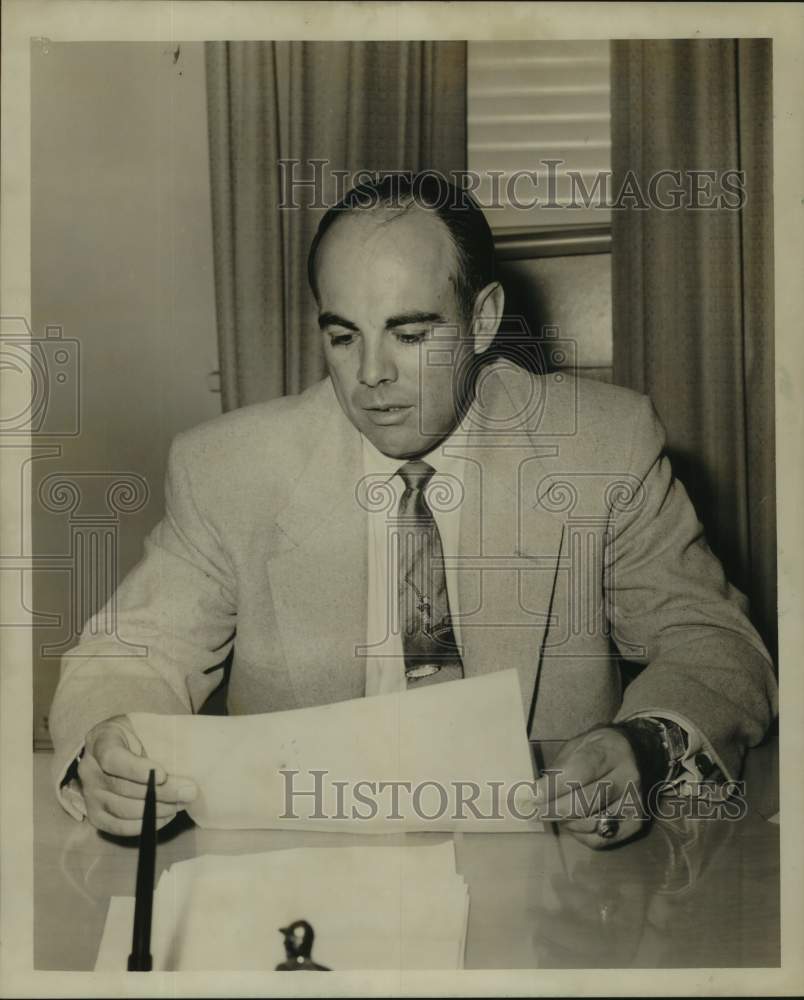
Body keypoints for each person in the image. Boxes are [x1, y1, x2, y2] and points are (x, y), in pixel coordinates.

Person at [49, 174, 777, 848]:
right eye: (343, 336)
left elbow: (713, 645)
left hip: (547, 866)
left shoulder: (603, 448)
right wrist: (107, 745)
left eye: (411, 333)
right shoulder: (229, 469)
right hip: (306, 861)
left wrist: (646, 745)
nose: (371, 376)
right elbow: (129, 655)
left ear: (483, 319)